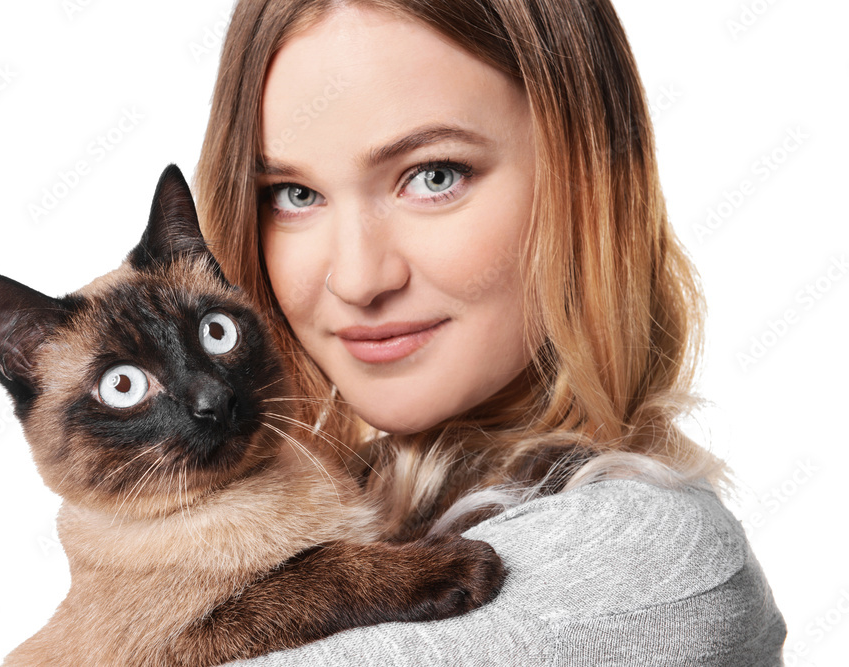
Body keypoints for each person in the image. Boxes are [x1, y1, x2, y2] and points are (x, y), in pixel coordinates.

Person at [193, 0, 787, 664]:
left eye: (435, 176)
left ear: (586, 178)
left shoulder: (646, 562)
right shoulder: (359, 504)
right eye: (294, 194)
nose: (359, 279)